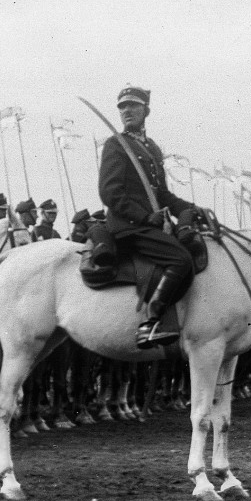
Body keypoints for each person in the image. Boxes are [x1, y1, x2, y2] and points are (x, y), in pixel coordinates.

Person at [98, 85, 200, 348]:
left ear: (146, 110)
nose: (126, 111)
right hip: (128, 226)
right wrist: (144, 217)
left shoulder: (151, 148)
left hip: (146, 224)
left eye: (132, 105)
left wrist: (189, 209)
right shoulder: (115, 145)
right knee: (180, 259)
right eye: (122, 107)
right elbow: (110, 193)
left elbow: (162, 194)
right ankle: (151, 320)